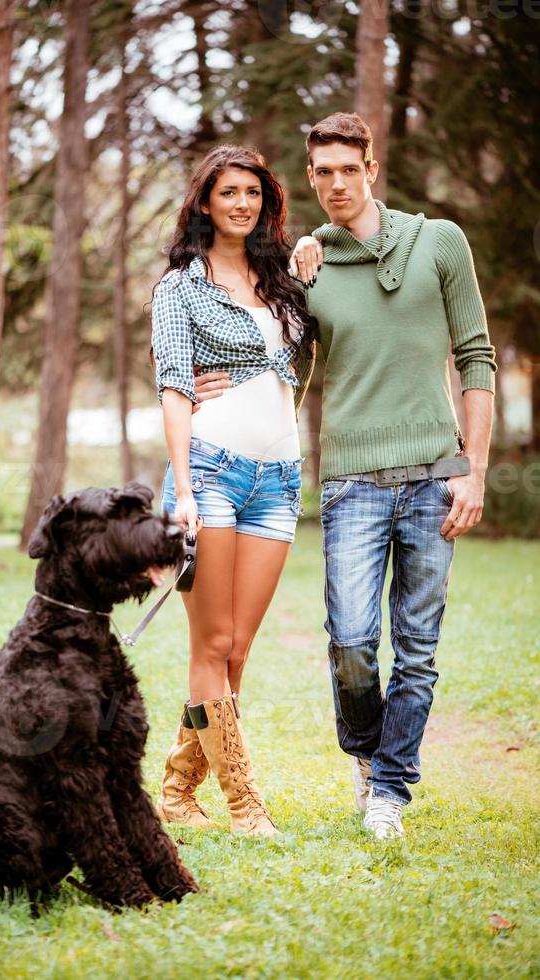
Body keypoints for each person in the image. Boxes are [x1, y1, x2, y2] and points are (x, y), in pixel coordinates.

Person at [193, 114, 497, 839]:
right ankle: (365, 756)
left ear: (372, 168)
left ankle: (390, 790)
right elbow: (280, 363)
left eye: (346, 169)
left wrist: (474, 471)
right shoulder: (308, 264)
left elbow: (477, 356)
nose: (333, 184)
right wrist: (208, 384)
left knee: (417, 649)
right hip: (351, 481)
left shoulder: (440, 243)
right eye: (320, 172)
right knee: (353, 643)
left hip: (434, 477)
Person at [151, 145, 317, 836]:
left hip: (279, 481)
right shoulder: (178, 287)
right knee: (211, 644)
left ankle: (176, 788)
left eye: (252, 192)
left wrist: (310, 253)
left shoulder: (281, 277)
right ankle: (246, 803)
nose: (241, 203)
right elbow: (173, 386)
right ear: (205, 203)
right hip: (211, 474)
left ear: (265, 200)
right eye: (228, 193)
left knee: (238, 650)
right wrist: (183, 490)